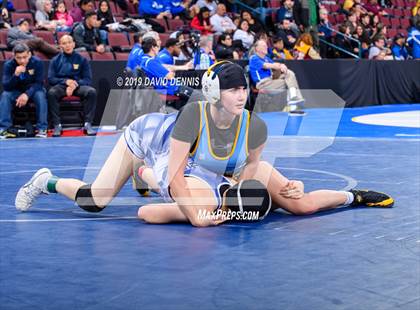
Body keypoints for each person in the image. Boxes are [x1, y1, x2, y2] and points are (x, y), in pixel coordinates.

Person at [15, 61, 395, 226]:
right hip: (149, 138)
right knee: (95, 200)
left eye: (243, 87)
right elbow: (176, 179)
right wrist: (196, 214)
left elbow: (246, 176)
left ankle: (356, 196)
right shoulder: (194, 117)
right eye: (232, 89)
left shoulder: (255, 126)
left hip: (201, 170)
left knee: (300, 205)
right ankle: (45, 181)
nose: (240, 95)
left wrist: (289, 187)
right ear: (215, 93)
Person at [47, 35, 97, 137]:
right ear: (60, 45)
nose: (67, 45)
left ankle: (88, 124)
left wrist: (74, 84)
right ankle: (57, 125)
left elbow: (87, 79)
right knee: (52, 93)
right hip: (61, 85)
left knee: (91, 91)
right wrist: (66, 82)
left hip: (78, 86)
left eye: (69, 42)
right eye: (64, 43)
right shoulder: (55, 61)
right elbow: (51, 79)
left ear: (74, 44)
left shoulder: (82, 60)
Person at [0, 43, 48, 138]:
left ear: (29, 54)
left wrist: (26, 94)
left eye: (24, 57)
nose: (22, 60)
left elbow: (39, 83)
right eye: (19, 58)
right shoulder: (9, 65)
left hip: (33, 90)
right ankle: (4, 129)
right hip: (16, 91)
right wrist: (15, 75)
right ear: (14, 56)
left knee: (41, 95)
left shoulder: (37, 62)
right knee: (5, 95)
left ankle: (42, 128)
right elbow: (6, 86)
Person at [249, 40, 305, 111]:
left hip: (271, 80)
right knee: (289, 83)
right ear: (257, 48)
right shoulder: (254, 58)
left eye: (266, 45)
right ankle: (292, 100)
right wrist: (280, 66)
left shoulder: (266, 58)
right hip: (262, 83)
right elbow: (267, 65)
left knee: (289, 73)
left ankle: (294, 98)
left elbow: (274, 64)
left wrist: (282, 65)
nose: (266, 47)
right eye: (264, 46)